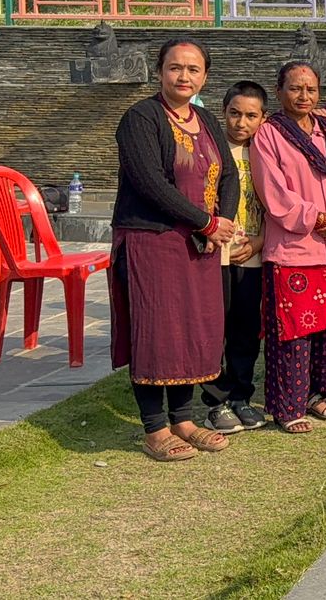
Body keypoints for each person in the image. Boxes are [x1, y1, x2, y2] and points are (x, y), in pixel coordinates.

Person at [111, 39, 240, 461]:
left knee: (191, 330)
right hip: (153, 241)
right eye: (175, 68)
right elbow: (150, 183)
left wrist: (222, 222)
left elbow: (229, 175)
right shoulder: (140, 119)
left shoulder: (205, 118)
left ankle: (183, 420)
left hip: (200, 243)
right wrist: (205, 222)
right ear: (159, 71)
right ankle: (154, 428)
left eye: (193, 69)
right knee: (156, 331)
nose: (184, 76)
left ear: (205, 76)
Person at [252, 62, 326, 433]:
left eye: (311, 90)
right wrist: (318, 218)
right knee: (293, 333)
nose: (304, 96)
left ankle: (317, 394)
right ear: (279, 91)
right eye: (295, 88)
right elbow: (274, 192)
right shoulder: (269, 135)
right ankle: (288, 406)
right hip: (294, 251)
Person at [202, 81, 269, 434]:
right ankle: (216, 401)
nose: (241, 123)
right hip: (215, 255)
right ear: (223, 112)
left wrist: (259, 242)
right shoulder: (210, 149)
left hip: (251, 254)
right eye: (234, 113)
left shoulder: (266, 152)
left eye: (251, 116)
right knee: (216, 330)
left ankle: (242, 396)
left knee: (245, 329)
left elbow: (276, 204)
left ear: (263, 118)